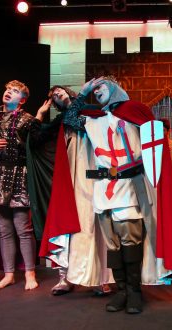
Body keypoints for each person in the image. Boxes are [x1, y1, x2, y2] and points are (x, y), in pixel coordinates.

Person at [58, 76, 172, 314]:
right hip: (102, 189)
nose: (97, 91)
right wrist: (83, 91)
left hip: (128, 186)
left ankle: (134, 292)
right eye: (94, 89)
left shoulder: (136, 111)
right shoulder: (92, 118)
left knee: (131, 241)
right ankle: (121, 291)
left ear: (116, 88)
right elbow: (68, 118)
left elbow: (152, 145)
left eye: (101, 87)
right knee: (112, 244)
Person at [33, 85, 113, 297]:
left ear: (70, 92)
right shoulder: (62, 120)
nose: (56, 94)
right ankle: (65, 277)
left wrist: (82, 96)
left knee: (94, 224)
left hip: (92, 175)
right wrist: (40, 115)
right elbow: (35, 138)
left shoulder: (89, 110)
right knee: (69, 224)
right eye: (52, 95)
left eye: (59, 91)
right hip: (69, 179)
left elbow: (78, 121)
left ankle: (99, 277)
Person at [0, 80, 50, 290]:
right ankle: (9, 274)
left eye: (15, 91)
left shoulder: (27, 120)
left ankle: (29, 273)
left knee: (23, 229)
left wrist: (40, 117)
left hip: (19, 177)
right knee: (4, 230)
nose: (9, 92)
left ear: (23, 100)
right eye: (7, 89)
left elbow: (37, 143)